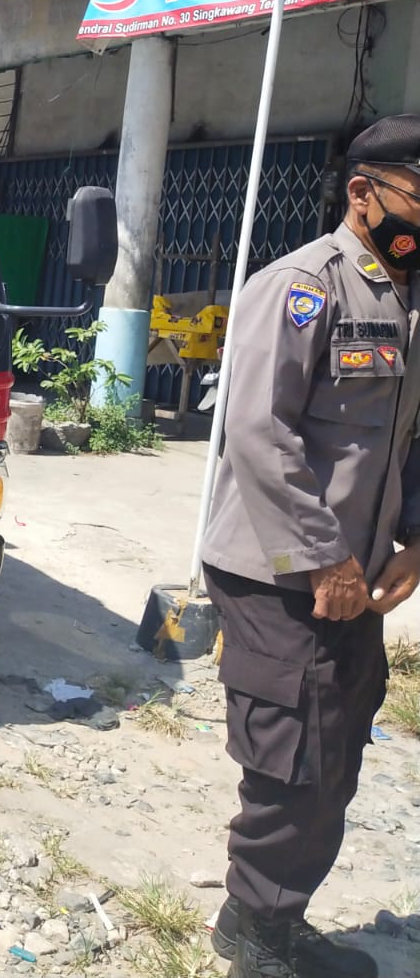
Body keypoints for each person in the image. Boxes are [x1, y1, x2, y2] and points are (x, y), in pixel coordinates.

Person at [200, 114, 420, 978]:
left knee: (337, 749)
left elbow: (408, 437)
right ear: (364, 193)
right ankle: (256, 937)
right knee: (294, 760)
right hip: (280, 571)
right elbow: (258, 433)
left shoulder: (406, 298)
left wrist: (413, 537)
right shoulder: (302, 287)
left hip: (355, 573)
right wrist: (324, 558)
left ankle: (269, 920)